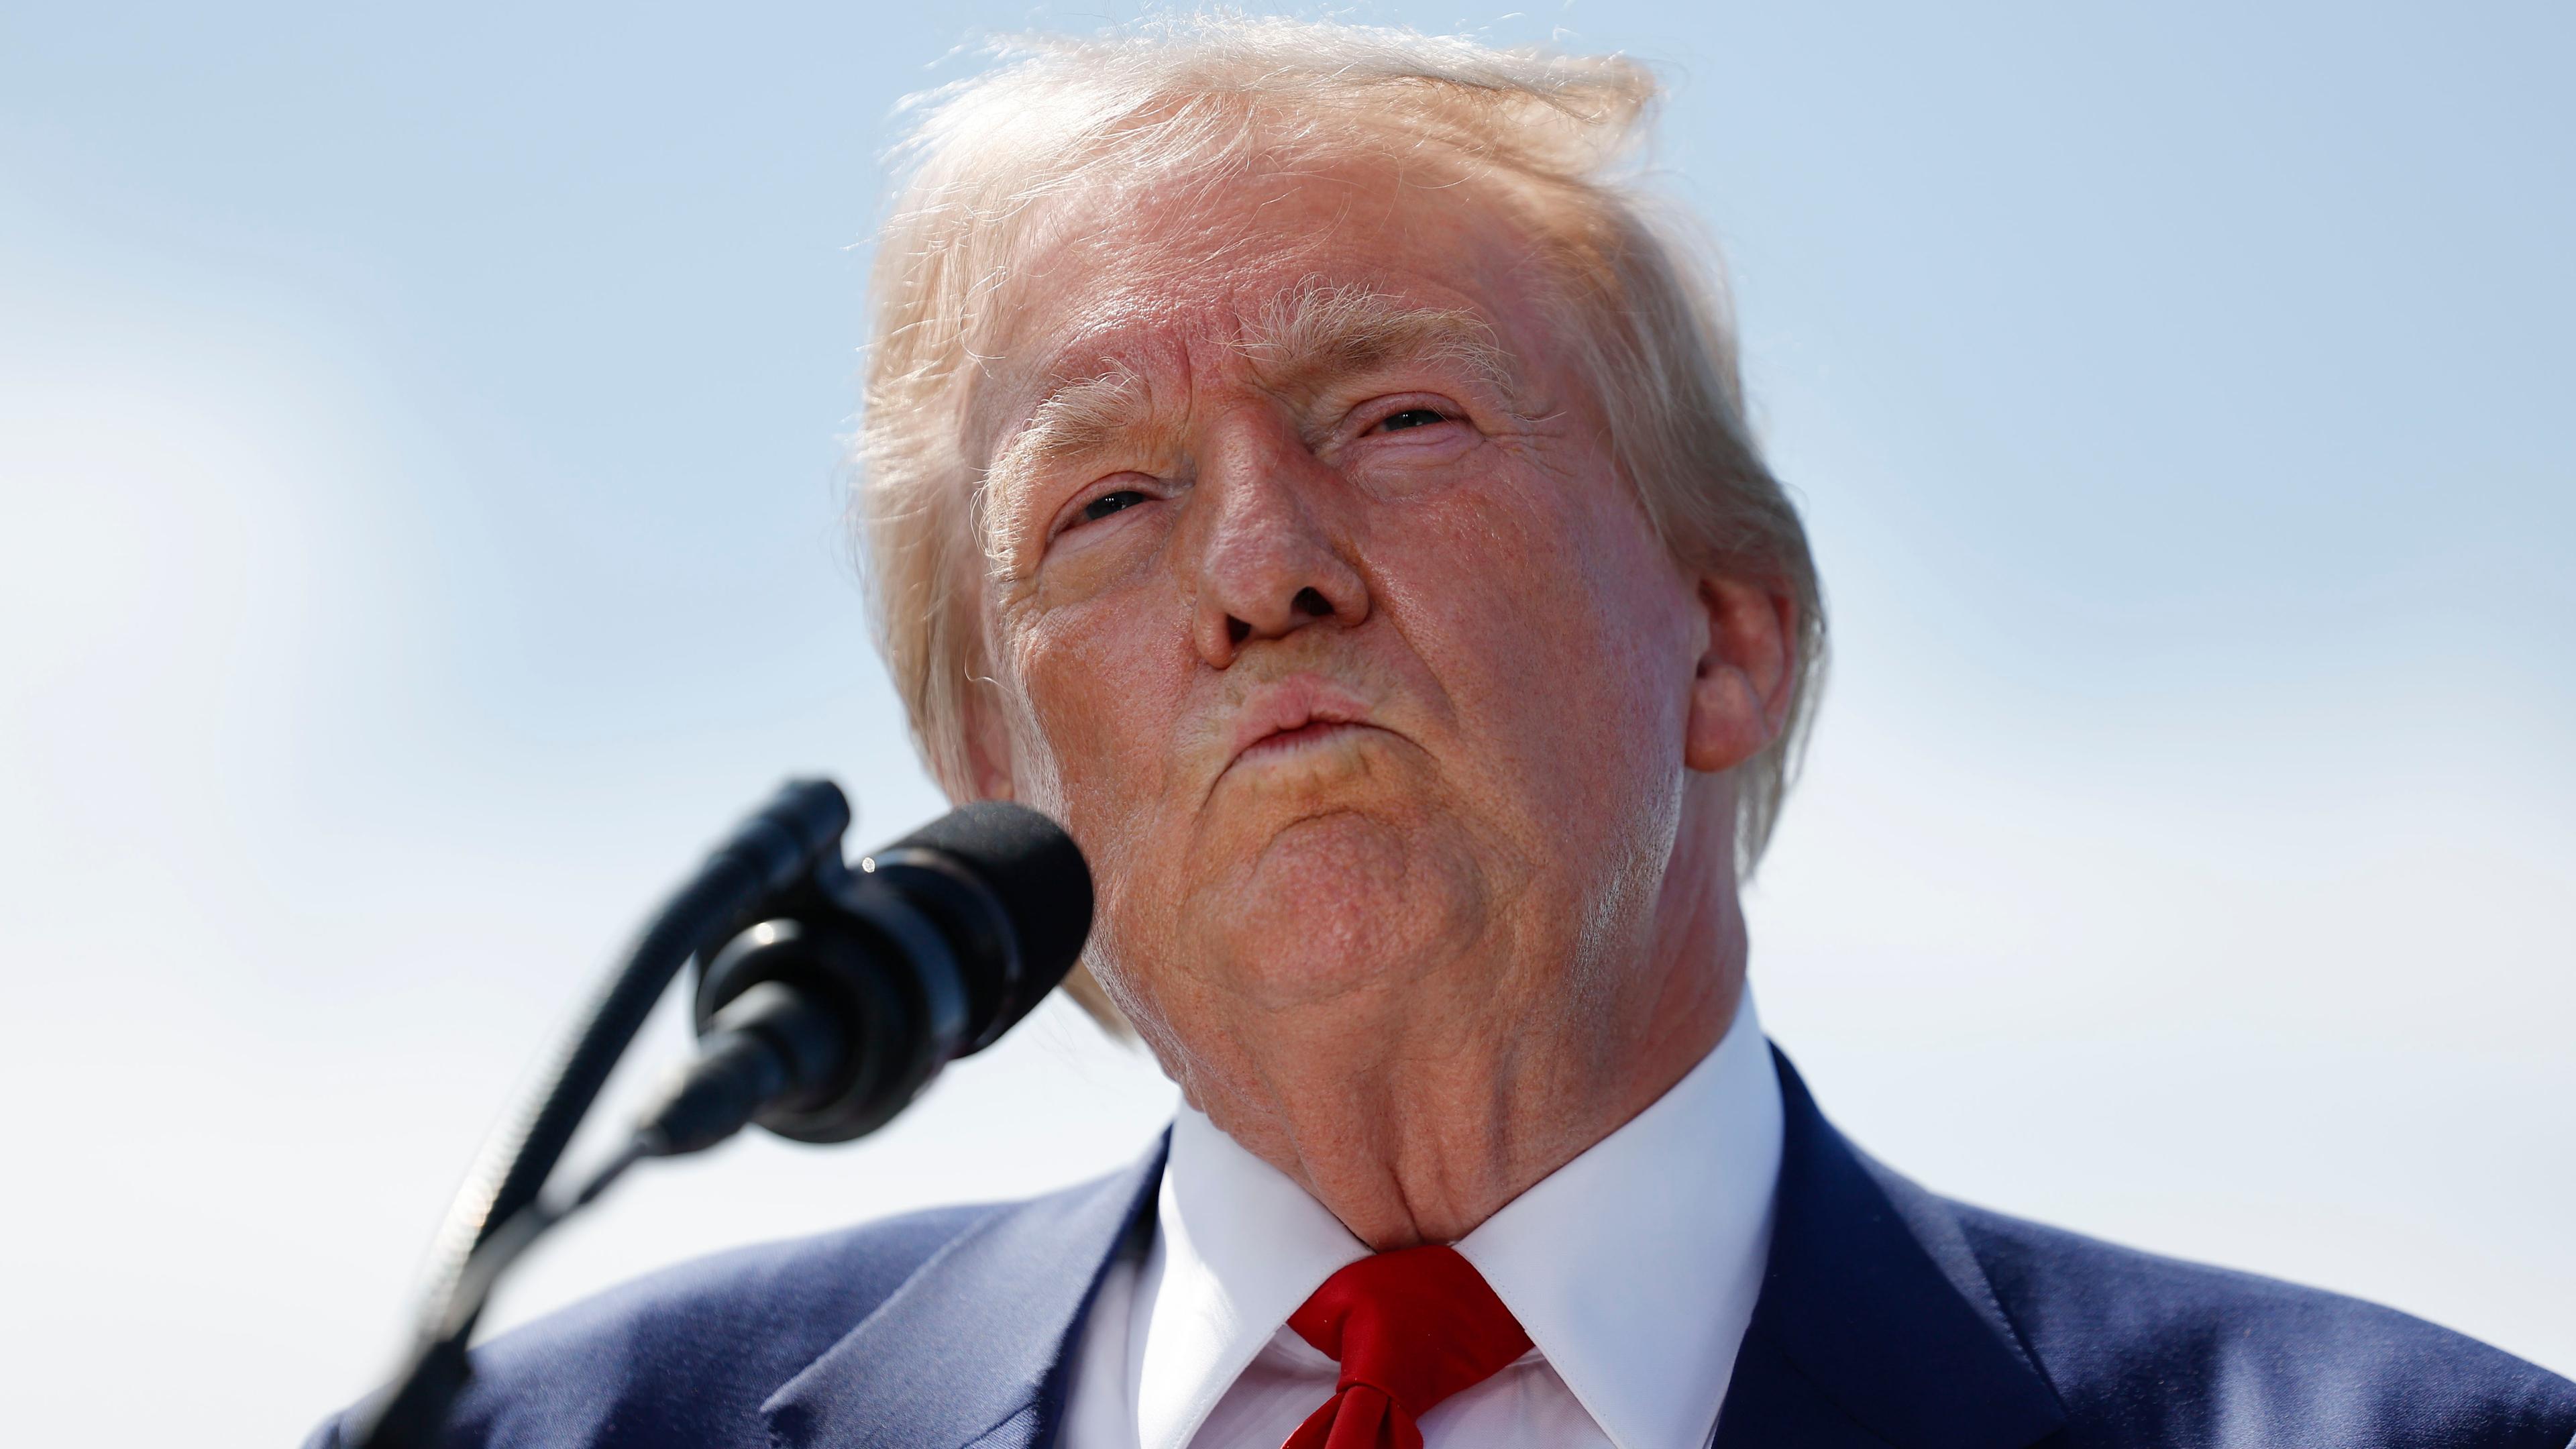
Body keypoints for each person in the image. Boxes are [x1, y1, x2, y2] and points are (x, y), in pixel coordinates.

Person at [306, 17, 2576, 1449]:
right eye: (1109, 498)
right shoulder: (564, 1433)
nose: (1260, 567)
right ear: (999, 780)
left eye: (1395, 416)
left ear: (1727, 640)